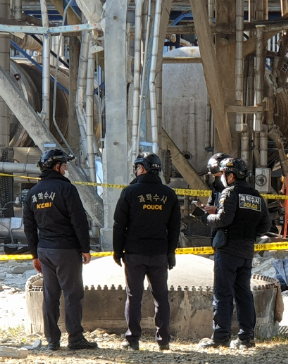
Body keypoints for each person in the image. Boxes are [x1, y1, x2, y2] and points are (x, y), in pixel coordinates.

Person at [23, 149, 98, 351]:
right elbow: (79, 221)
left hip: (45, 250)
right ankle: (75, 339)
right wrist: (85, 248)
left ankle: (52, 341)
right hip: (66, 250)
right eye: (64, 164)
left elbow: (29, 228)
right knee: (73, 294)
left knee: (51, 295)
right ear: (56, 166)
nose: (66, 168)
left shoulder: (33, 193)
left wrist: (35, 255)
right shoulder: (67, 189)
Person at [197, 157, 271, 349]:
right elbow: (266, 225)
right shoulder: (256, 196)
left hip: (228, 249)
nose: (222, 178)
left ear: (230, 176)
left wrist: (206, 217)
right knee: (244, 293)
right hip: (246, 251)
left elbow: (223, 220)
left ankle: (221, 337)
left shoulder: (230, 193)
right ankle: (246, 338)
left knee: (223, 294)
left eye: (223, 174)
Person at [112, 152, 180, 351]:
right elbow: (174, 227)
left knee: (134, 296)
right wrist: (171, 253)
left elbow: (119, 225)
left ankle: (133, 339)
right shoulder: (169, 194)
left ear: (142, 168)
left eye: (137, 167)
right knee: (161, 296)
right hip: (159, 253)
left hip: (134, 253)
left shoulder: (130, 192)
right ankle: (164, 340)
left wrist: (117, 251)